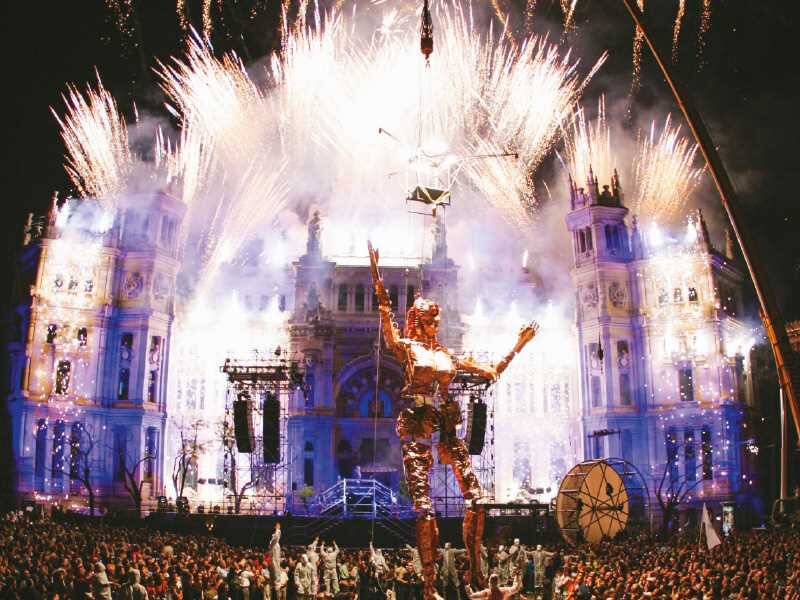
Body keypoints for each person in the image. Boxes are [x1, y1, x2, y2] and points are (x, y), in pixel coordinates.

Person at [368, 242, 538, 599]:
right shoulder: (408, 348)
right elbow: (387, 325)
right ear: (419, 321)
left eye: (437, 320)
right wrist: (377, 276)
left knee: (477, 499)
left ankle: (476, 570)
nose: (436, 325)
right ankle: (430, 587)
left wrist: (518, 345)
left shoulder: (446, 354)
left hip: (445, 424)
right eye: (431, 320)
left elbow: (491, 372)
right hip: (416, 423)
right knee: (424, 509)